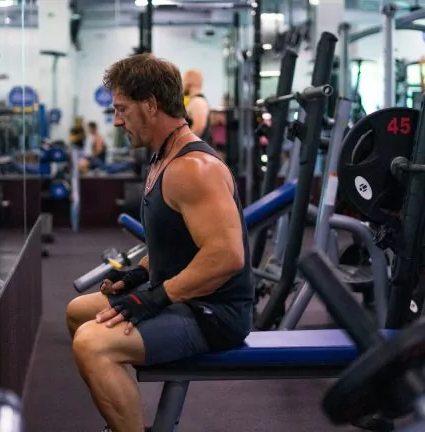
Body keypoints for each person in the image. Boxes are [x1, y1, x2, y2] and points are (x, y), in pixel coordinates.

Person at [65, 54, 253, 432]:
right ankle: (123, 413)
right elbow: (178, 245)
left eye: (122, 109)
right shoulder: (162, 157)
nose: (117, 121)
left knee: (92, 343)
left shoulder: (193, 169)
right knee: (78, 311)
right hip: (184, 297)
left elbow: (226, 257)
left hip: (213, 313)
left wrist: (151, 299)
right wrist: (137, 277)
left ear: (150, 104)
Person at [183, 69, 212, 144]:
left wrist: (186, 143)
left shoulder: (198, 102)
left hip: (195, 148)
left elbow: (199, 127)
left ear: (188, 83)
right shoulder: (193, 100)